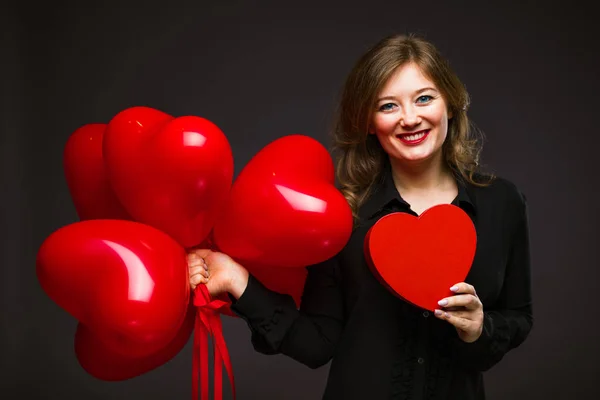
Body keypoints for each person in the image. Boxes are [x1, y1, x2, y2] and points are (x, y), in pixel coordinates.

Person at [187, 33, 533, 400]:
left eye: (424, 98)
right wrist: (240, 282)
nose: (410, 119)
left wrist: (479, 328)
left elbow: (518, 316)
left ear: (450, 103)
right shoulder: (343, 216)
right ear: (369, 122)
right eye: (388, 106)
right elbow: (317, 343)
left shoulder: (502, 203)